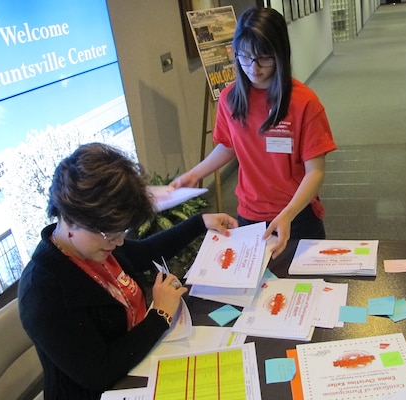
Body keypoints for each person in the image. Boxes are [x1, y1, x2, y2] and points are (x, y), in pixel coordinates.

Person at [18, 142, 237, 399]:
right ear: (71, 219)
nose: (119, 242)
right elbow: (99, 372)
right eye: (109, 234)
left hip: (142, 361)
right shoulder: (44, 293)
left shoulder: (94, 247)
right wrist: (160, 314)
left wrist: (199, 223)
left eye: (121, 232)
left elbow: (143, 252)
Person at [171, 7, 336, 259]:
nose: (253, 67)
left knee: (304, 289)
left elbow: (316, 172)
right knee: (255, 292)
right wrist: (195, 174)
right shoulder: (230, 98)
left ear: (280, 54)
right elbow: (229, 145)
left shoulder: (303, 103)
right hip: (250, 216)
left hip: (297, 215)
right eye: (244, 57)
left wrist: (288, 215)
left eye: (264, 58)